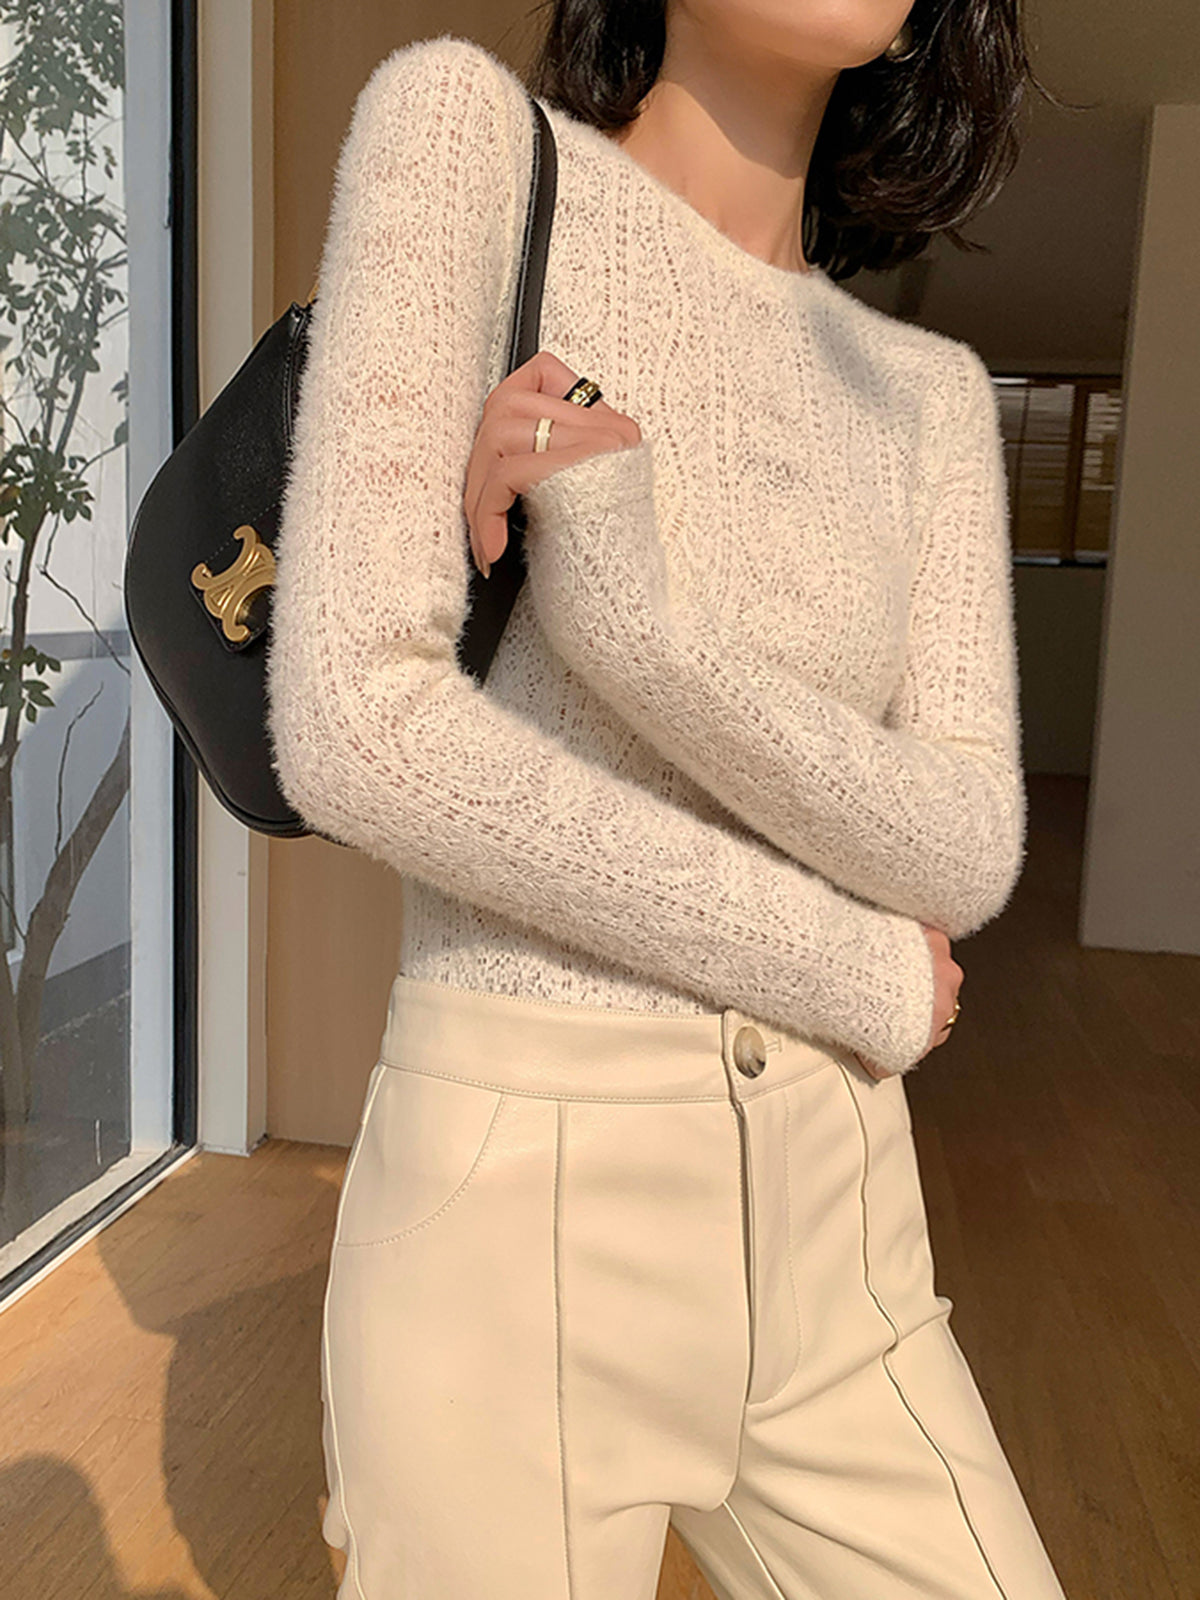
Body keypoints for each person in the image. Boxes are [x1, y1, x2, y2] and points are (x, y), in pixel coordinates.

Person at [266, 1, 1070, 1595]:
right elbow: (360, 724)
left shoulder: (926, 391)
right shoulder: (470, 146)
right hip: (522, 1230)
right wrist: (844, 963)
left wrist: (638, 628)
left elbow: (967, 847)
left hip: (845, 1217)